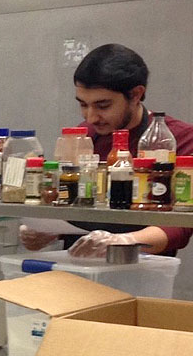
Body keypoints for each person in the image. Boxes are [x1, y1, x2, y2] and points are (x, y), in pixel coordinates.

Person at [21, 43, 193, 256]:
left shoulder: (179, 139)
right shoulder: (82, 136)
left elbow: (181, 224)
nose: (91, 117)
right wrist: (46, 230)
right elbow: (68, 200)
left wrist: (126, 241)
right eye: (83, 105)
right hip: (78, 267)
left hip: (141, 269)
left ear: (136, 95)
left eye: (103, 106)